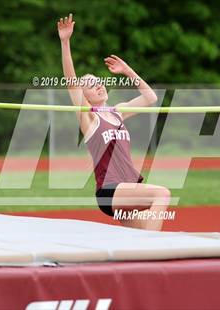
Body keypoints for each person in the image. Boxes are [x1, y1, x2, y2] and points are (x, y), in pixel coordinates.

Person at [57, 13, 170, 231]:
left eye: (99, 82)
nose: (99, 85)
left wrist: (127, 71)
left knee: (141, 233)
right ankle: (155, 248)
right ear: (85, 96)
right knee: (162, 194)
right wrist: (65, 42)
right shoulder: (89, 118)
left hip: (128, 188)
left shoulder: (118, 112)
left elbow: (150, 98)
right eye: (91, 86)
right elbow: (71, 82)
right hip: (111, 191)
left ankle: (145, 256)